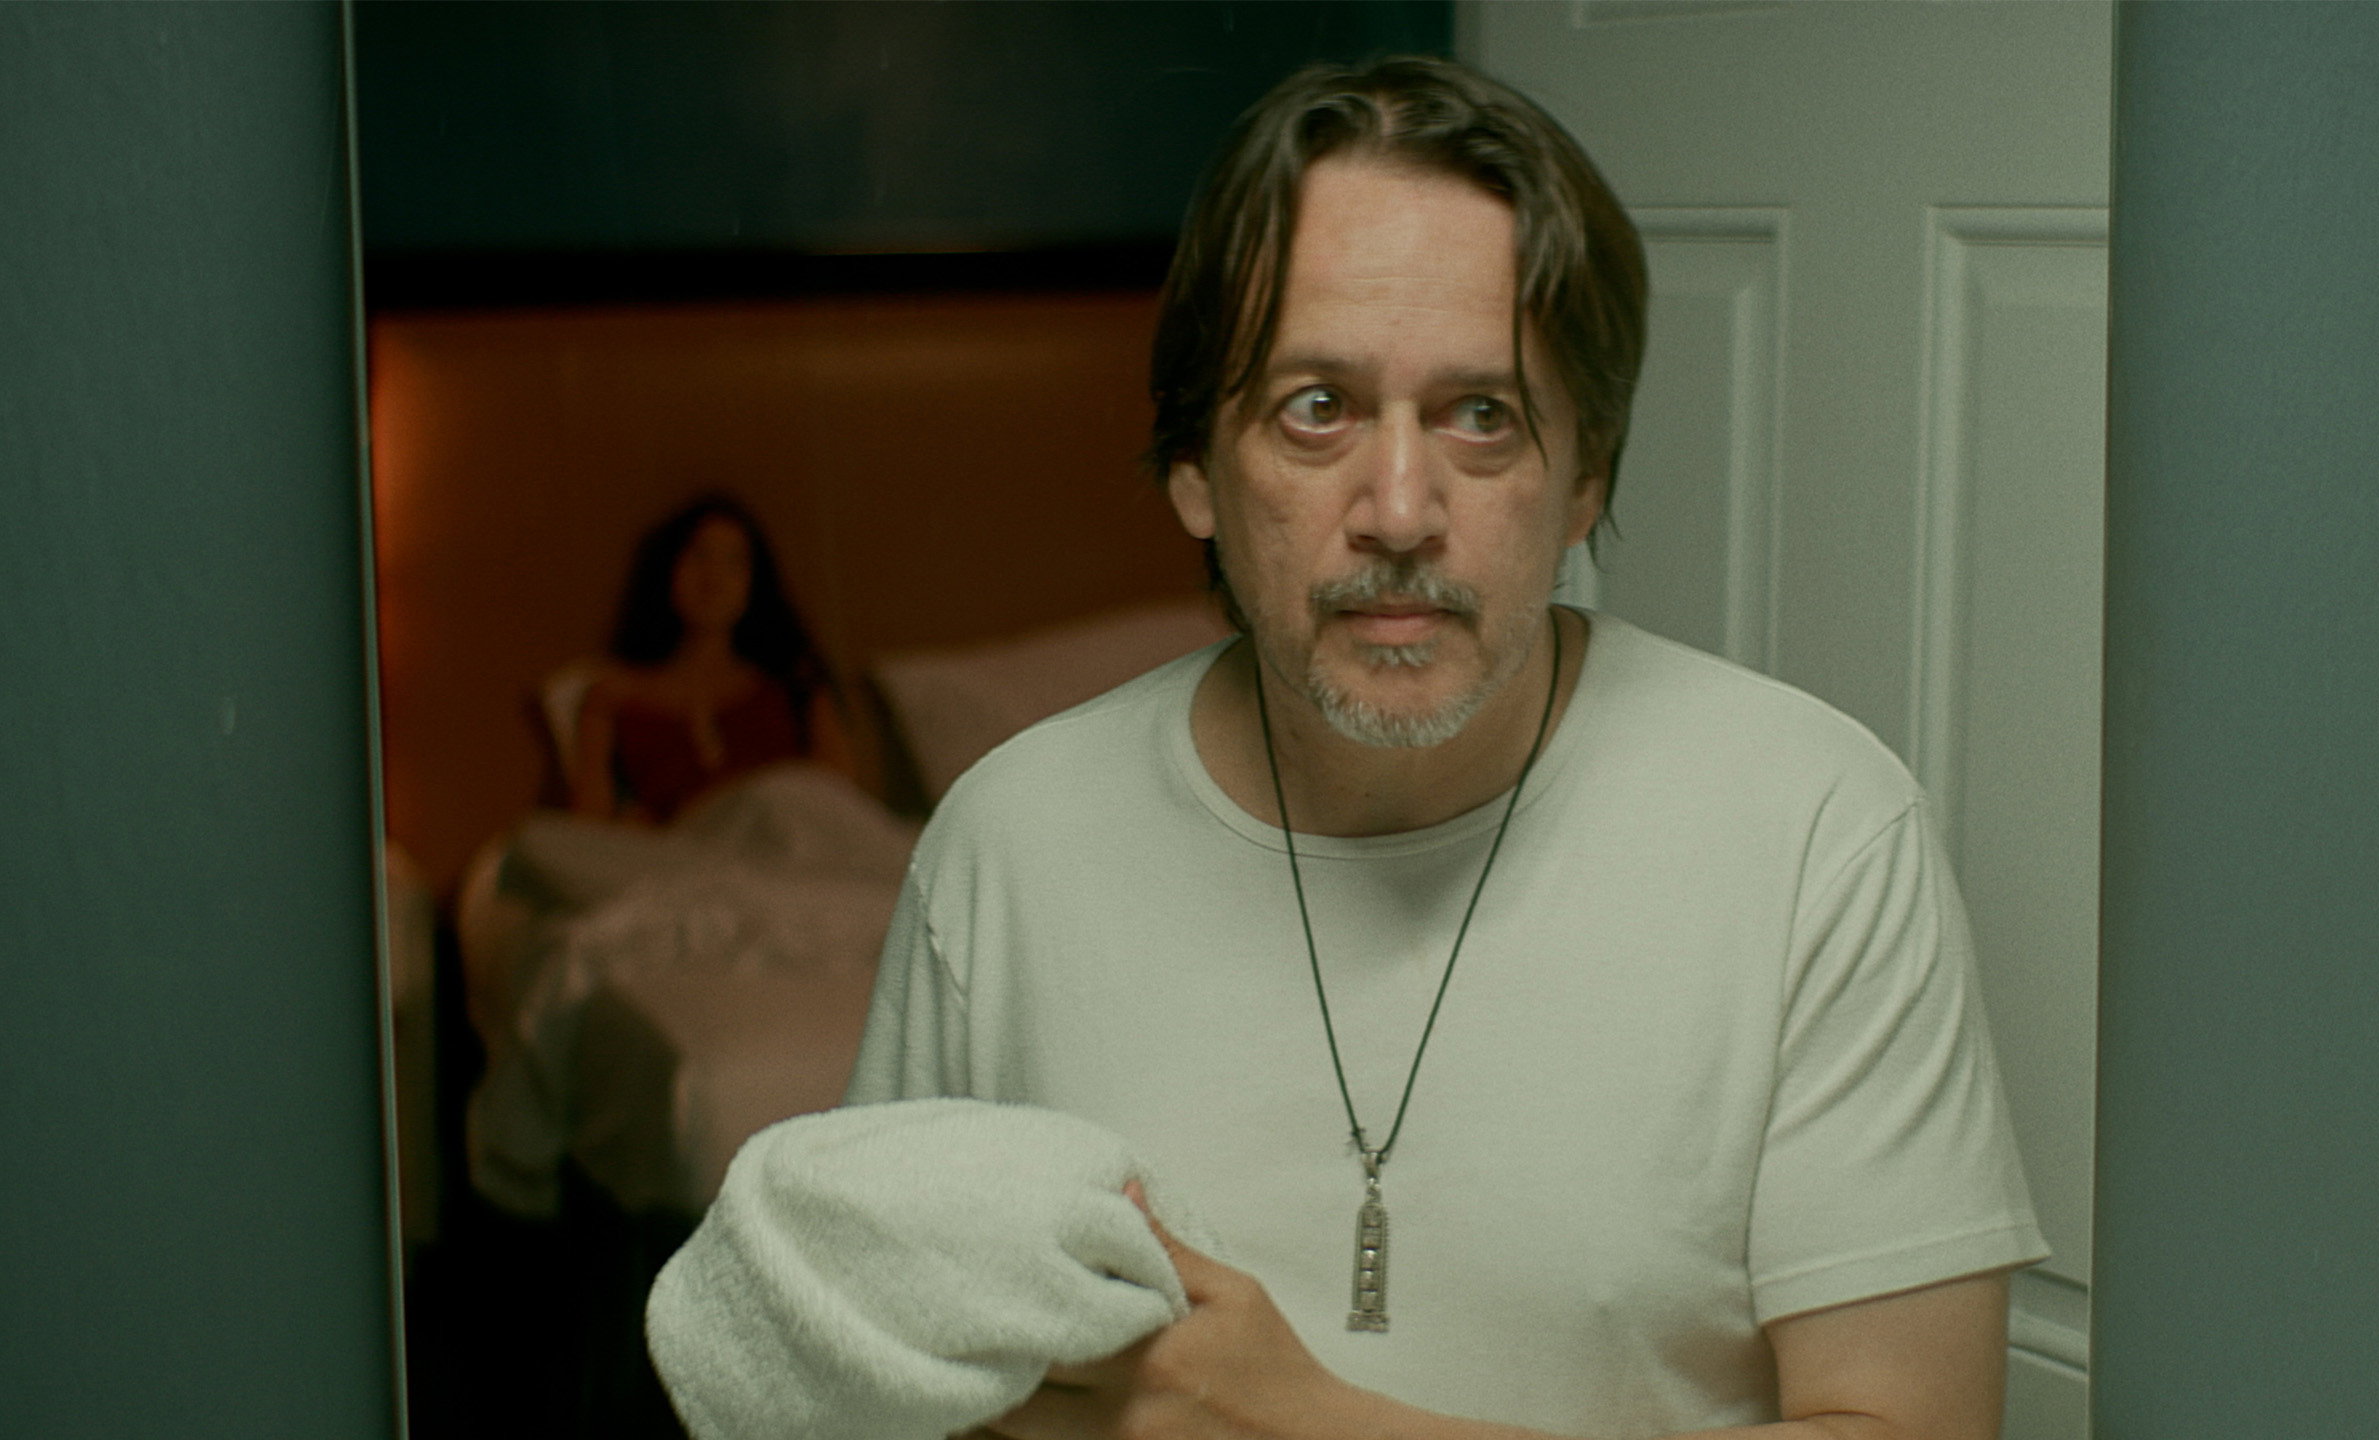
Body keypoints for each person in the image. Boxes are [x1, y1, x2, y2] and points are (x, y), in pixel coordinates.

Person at [849, 57, 2044, 1439]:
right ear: (1194, 470)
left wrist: (1298, 1421)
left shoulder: (1815, 835)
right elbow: (873, 1377)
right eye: (1317, 408)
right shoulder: (1009, 848)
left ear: (1584, 475)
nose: (1401, 510)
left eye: (1482, 415)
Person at [569, 494, 867, 824]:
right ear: (668, 568)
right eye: (699, 556)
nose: (714, 577)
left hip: (788, 839)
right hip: (685, 848)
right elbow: (589, 829)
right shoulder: (616, 696)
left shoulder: (792, 679)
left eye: (734, 562)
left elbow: (841, 801)